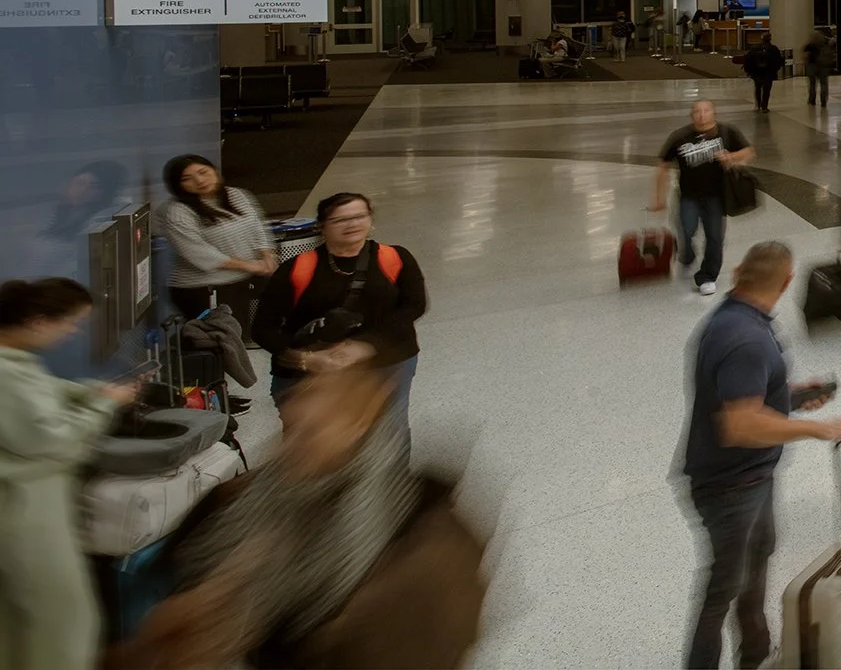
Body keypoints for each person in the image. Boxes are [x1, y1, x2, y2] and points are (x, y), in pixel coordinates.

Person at [115, 369, 487, 670]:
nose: (290, 450)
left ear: (358, 428)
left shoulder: (425, 549)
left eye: (311, 434)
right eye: (289, 432)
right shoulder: (243, 501)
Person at [682, 242, 841, 670]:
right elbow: (741, 423)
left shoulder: (741, 319)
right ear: (785, 283)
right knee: (723, 588)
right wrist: (819, 429)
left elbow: (746, 394)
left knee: (754, 569)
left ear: (739, 271)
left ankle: (757, 655)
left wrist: (792, 396)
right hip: (729, 487)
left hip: (751, 478)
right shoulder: (744, 337)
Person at [0, 278, 137, 670]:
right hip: (24, 518)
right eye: (71, 323)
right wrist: (101, 408)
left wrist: (94, 393)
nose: (73, 332)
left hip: (28, 510)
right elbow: (53, 439)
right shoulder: (5, 375)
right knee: (67, 621)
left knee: (19, 624)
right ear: (40, 322)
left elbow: (46, 393)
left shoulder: (15, 362)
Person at [252, 193, 428, 416]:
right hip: (314, 374)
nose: (352, 224)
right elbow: (263, 328)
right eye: (340, 219)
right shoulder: (297, 269)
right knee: (317, 443)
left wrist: (366, 346)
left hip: (387, 363)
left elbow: (414, 306)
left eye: (359, 216)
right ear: (321, 226)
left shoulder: (395, 257)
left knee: (389, 434)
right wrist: (309, 359)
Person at [158, 154, 275, 336]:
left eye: (203, 172)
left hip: (241, 280)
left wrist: (267, 255)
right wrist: (250, 265)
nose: (199, 181)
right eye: (187, 179)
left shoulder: (235, 194)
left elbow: (257, 226)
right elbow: (200, 254)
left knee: (241, 335)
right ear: (178, 186)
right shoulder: (176, 212)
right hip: (202, 289)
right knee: (220, 340)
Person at [653, 101, 755, 296]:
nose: (702, 115)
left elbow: (750, 153)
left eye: (706, 110)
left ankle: (707, 276)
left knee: (715, 237)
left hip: (716, 197)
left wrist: (731, 157)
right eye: (697, 111)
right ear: (691, 115)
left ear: (713, 113)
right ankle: (687, 254)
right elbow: (662, 166)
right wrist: (659, 198)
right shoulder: (680, 136)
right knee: (686, 229)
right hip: (688, 196)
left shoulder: (726, 132)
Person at [742, 33, 782, 112]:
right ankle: (764, 106)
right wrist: (775, 70)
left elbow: (748, 60)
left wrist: (750, 71)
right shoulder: (774, 49)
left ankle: (758, 105)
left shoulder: (755, 48)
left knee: (758, 88)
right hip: (768, 72)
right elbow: (778, 61)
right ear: (770, 39)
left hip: (757, 72)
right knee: (766, 89)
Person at [802, 29, 835, 107]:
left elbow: (805, 55)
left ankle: (812, 100)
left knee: (812, 84)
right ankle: (823, 100)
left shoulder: (810, 45)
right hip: (823, 66)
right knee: (823, 84)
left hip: (812, 66)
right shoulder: (825, 44)